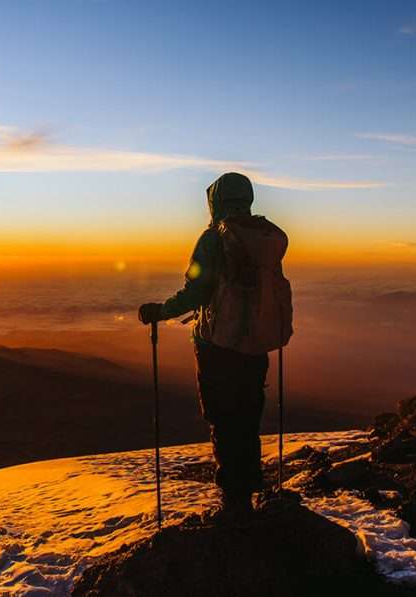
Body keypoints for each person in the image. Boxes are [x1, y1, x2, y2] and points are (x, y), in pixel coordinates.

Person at [138, 172, 291, 518]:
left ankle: (233, 502)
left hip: (217, 346)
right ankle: (247, 490)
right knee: (247, 416)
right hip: (256, 343)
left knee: (223, 418)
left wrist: (160, 312)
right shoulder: (263, 238)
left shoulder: (213, 239)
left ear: (215, 201)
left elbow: (196, 290)